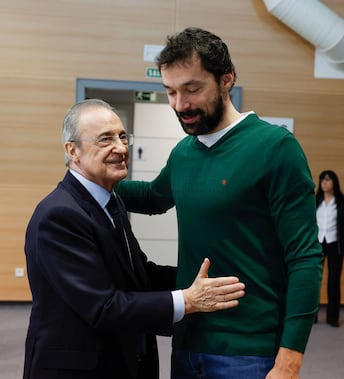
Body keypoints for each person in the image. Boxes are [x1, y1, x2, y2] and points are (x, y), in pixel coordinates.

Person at [115, 27, 323, 379]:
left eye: (192, 89)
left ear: (227, 80)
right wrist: (93, 179)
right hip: (188, 341)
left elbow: (305, 258)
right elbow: (153, 197)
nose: (180, 105)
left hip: (250, 352)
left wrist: (291, 357)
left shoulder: (275, 148)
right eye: (171, 92)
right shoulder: (184, 152)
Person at [23, 99, 245, 379]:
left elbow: (139, 275)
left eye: (122, 136)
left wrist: (203, 278)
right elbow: (103, 307)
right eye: (105, 139)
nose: (120, 147)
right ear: (72, 150)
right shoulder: (58, 216)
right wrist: (188, 300)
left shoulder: (110, 202)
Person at [316, 170, 344, 327]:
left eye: (327, 180)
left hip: (335, 244)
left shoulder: (341, 201)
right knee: (315, 279)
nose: (324, 183)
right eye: (322, 180)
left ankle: (332, 318)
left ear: (334, 181)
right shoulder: (316, 200)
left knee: (334, 280)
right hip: (318, 243)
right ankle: (312, 316)